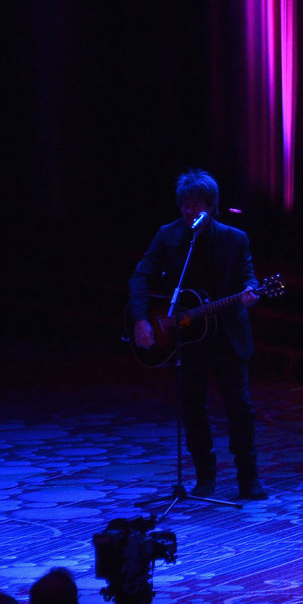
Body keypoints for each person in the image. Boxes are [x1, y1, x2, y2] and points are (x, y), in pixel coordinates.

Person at [128, 169, 267, 499]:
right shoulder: (169, 236)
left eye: (198, 205)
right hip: (189, 338)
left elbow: (249, 278)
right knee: (192, 407)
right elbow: (140, 277)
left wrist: (250, 293)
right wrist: (141, 320)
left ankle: (249, 478)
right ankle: (205, 476)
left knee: (239, 407)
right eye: (186, 205)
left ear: (212, 206)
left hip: (227, 334)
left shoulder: (235, 238)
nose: (191, 211)